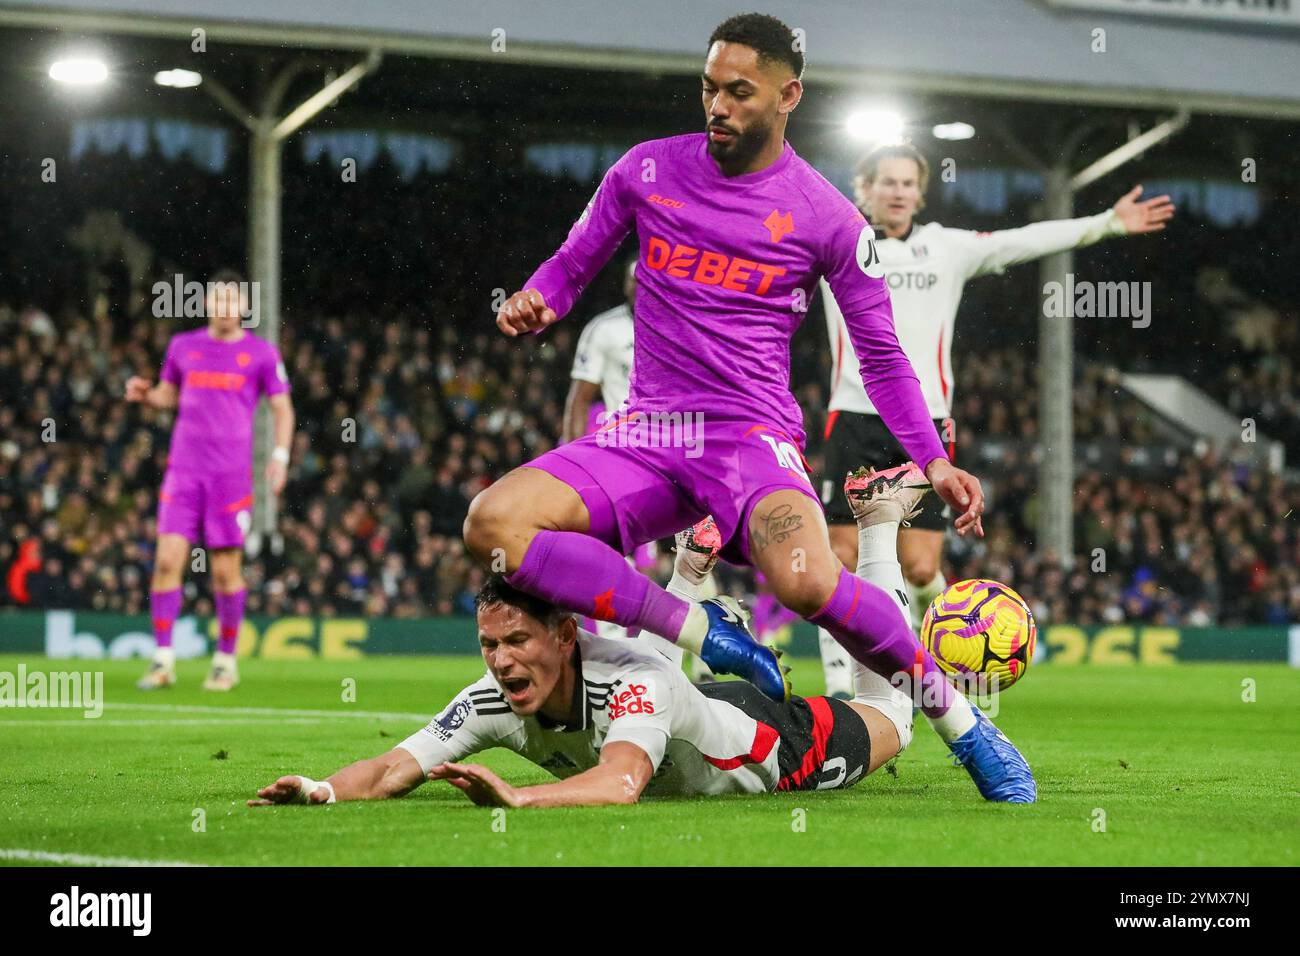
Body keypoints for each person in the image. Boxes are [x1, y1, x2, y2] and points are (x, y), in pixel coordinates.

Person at [464, 13, 1033, 802]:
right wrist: (539, 299)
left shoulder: (828, 215)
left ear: (788, 95)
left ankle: (959, 720)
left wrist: (932, 460)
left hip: (747, 436)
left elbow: (881, 355)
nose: (717, 106)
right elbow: (572, 264)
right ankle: (702, 630)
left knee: (804, 581)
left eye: (739, 91)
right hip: (649, 428)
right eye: (708, 88)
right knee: (493, 524)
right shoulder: (647, 170)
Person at [249, 481, 923, 808]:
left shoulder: (631, 683)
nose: (500, 660)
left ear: (565, 633)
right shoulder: (495, 695)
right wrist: (320, 791)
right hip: (679, 700)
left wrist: (520, 797)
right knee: (656, 676)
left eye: (516, 640)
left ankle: (878, 527)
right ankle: (690, 574)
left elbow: (622, 782)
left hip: (771, 744)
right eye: (488, 644)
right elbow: (395, 767)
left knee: (896, 715)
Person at [815, 143, 1175, 696]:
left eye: (908, 183)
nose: (897, 191)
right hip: (853, 415)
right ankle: (844, 684)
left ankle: (944, 645)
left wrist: (1106, 222)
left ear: (921, 191)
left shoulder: (947, 249)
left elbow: (1023, 241)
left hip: (926, 423)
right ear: (863, 189)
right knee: (839, 555)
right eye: (886, 182)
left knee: (917, 567)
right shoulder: (837, 241)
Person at [128, 270, 295, 691]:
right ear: (205, 305)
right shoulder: (183, 346)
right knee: (167, 561)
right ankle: (163, 660)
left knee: (224, 572)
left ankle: (224, 660)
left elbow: (282, 410)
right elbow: (169, 396)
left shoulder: (260, 354)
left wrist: (279, 456)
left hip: (230, 478)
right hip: (183, 473)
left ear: (243, 307)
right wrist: (147, 396)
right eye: (216, 300)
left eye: (231, 300)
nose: (223, 307)